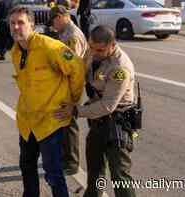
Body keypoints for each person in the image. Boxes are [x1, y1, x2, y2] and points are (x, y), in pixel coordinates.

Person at [8, 6, 85, 197]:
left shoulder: (50, 46)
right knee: (26, 165)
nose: (16, 27)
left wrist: (73, 103)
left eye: (21, 23)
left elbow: (77, 69)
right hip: (27, 121)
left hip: (50, 122)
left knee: (53, 173)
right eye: (12, 23)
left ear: (32, 25)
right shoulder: (15, 52)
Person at [54, 25, 137, 197]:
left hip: (117, 125)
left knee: (120, 178)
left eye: (100, 49)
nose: (94, 52)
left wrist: (76, 111)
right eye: (91, 47)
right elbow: (79, 68)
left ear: (112, 45)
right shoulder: (93, 51)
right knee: (95, 173)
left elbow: (107, 106)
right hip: (98, 123)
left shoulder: (120, 68)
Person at [49, 5, 87, 175]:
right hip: (65, 83)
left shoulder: (72, 36)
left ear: (60, 17)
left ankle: (71, 163)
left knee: (69, 122)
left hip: (73, 84)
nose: (53, 26)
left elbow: (73, 66)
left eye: (53, 22)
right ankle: (65, 157)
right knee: (63, 122)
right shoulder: (65, 32)